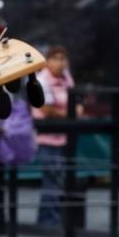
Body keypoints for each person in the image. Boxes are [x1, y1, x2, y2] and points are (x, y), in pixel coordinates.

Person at [32, 45, 76, 227]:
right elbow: (46, 108)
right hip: (45, 138)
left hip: (64, 138)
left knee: (57, 181)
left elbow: (76, 100)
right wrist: (70, 113)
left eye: (63, 59)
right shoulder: (41, 81)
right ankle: (50, 222)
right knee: (52, 180)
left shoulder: (67, 78)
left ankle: (47, 221)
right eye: (56, 58)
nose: (60, 63)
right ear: (47, 61)